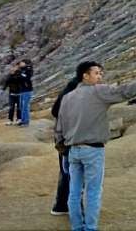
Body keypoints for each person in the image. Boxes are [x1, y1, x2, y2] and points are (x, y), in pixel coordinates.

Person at [55, 61, 136, 231]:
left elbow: (60, 125)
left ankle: (77, 227)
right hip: (92, 150)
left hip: (73, 151)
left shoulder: (67, 97)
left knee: (74, 191)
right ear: (85, 76)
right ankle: (90, 228)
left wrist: (62, 149)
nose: (100, 76)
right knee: (93, 192)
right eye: (96, 73)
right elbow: (122, 91)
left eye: (101, 73)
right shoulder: (98, 91)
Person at [49, 71, 82, 216]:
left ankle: (61, 205)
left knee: (66, 172)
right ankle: (76, 208)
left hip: (64, 142)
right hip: (71, 141)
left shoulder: (68, 92)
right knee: (76, 173)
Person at [18, 59, 34, 126]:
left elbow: (27, 78)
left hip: (27, 90)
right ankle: (23, 120)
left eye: (21, 63)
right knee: (21, 106)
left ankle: (26, 121)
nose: (20, 64)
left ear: (25, 63)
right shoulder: (21, 70)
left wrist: (21, 75)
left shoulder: (28, 69)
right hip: (22, 90)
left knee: (25, 106)